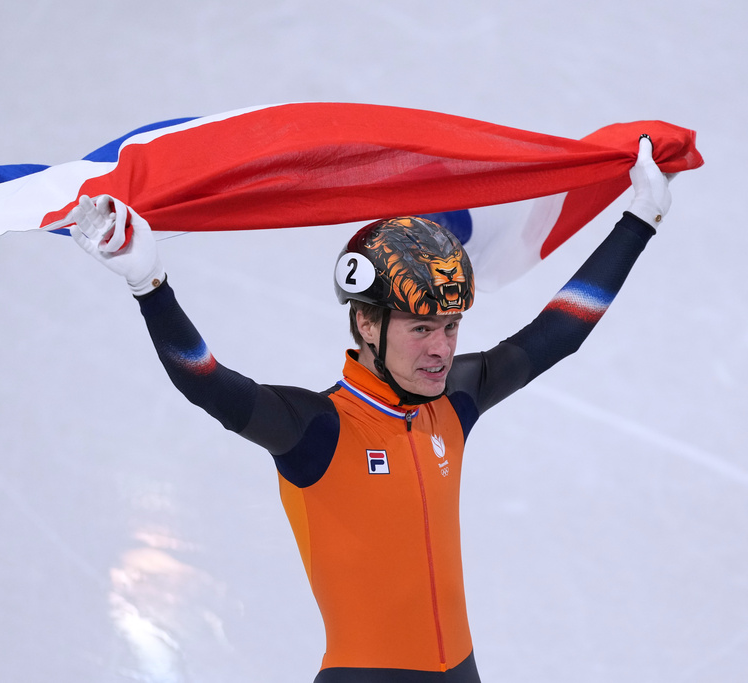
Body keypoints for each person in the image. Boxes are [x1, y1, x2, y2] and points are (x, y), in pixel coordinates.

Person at [67, 135, 673, 682]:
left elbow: (558, 333)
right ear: (366, 323)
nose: (442, 349)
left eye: (452, 326)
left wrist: (639, 219)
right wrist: (150, 287)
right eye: (421, 328)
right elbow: (209, 384)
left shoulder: (454, 401)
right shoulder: (317, 429)